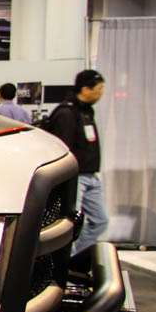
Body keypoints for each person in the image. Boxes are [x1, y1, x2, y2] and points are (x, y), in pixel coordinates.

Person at [46, 69, 107, 258]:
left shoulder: (86, 111)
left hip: (91, 176)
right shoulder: (66, 113)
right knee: (70, 223)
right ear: (85, 89)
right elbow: (63, 147)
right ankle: (63, 261)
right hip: (76, 177)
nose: (101, 93)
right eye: (98, 89)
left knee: (100, 221)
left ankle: (71, 257)